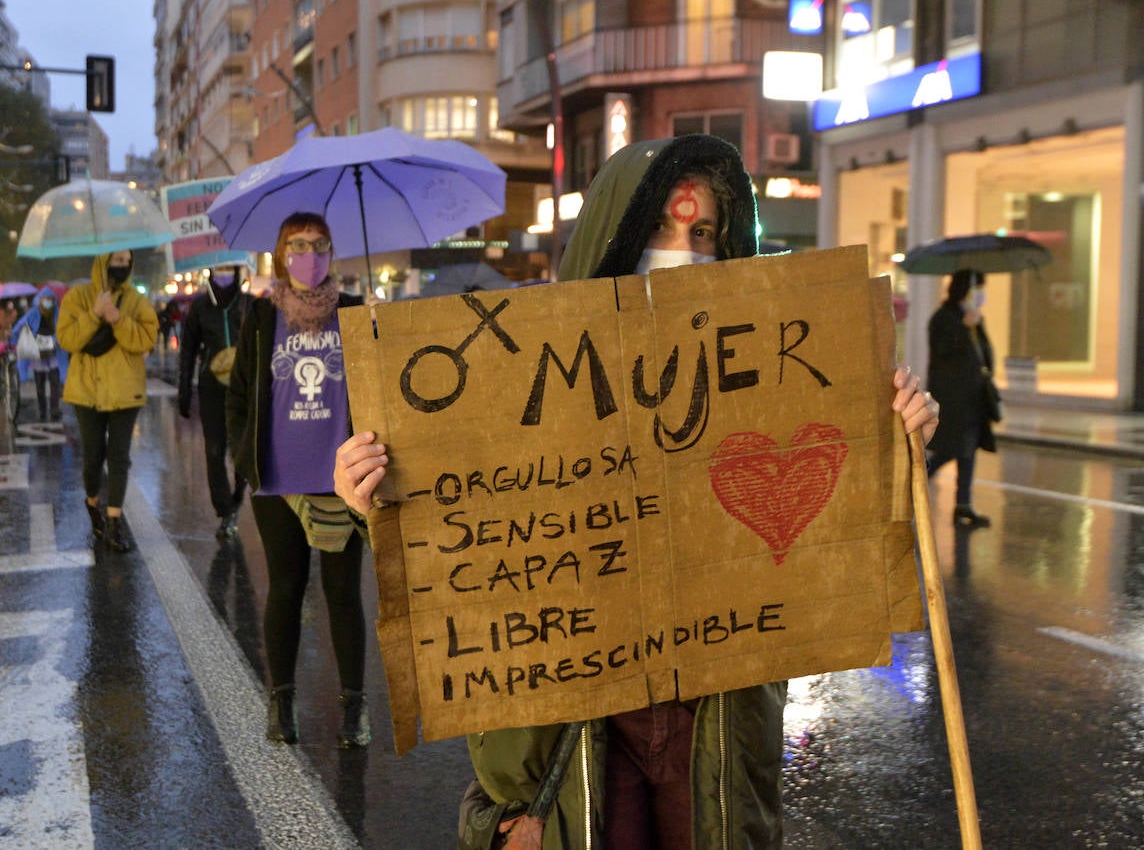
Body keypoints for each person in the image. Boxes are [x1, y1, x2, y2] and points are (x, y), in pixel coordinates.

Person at [334, 135, 941, 849]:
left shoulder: (760, 375)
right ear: (618, 230)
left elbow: (832, 556)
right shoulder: (531, 365)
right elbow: (468, 527)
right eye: (659, 225)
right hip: (579, 735)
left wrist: (893, 446)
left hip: (715, 716)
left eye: (703, 231)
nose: (680, 248)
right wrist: (376, 493)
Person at [226, 212, 371, 749]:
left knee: (343, 595)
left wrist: (379, 329)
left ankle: (354, 708)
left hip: (343, 484)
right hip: (278, 483)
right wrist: (246, 458)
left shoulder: (356, 314)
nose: (308, 255)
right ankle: (280, 702)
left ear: (332, 253)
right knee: (285, 590)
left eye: (318, 245)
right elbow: (240, 393)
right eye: (297, 246)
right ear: (281, 257)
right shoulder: (262, 319)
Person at [57, 250, 158, 552]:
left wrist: (116, 317)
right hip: (85, 391)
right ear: (103, 262)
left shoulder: (137, 302)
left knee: (118, 457)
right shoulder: (77, 297)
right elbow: (68, 339)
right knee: (92, 457)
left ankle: (114, 521)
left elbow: (145, 339)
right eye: (116, 260)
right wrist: (94, 313)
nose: (123, 266)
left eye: (128, 261)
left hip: (126, 392)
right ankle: (92, 502)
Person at [178, 262, 249, 542]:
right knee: (214, 450)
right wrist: (184, 389)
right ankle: (225, 509)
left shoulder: (250, 304)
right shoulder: (199, 306)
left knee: (241, 448)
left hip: (243, 389)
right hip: (211, 387)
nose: (223, 274)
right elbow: (188, 350)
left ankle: (238, 497)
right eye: (217, 269)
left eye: (227, 268)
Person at [925, 268, 998, 528]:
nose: (981, 294)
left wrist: (973, 326)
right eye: (978, 288)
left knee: (968, 452)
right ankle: (909, 485)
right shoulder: (943, 318)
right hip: (953, 399)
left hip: (974, 398)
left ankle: (963, 504)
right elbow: (943, 352)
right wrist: (964, 329)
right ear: (965, 289)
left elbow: (984, 353)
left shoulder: (974, 318)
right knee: (949, 451)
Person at [11, 286, 69, 422]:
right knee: (40, 383)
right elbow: (21, 324)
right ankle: (43, 408)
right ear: (40, 300)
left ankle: (54, 409)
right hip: (38, 351)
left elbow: (64, 327)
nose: (47, 301)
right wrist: (16, 335)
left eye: (50, 299)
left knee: (55, 382)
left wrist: (57, 339)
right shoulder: (33, 313)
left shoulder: (58, 313)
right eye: (45, 299)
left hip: (54, 351)